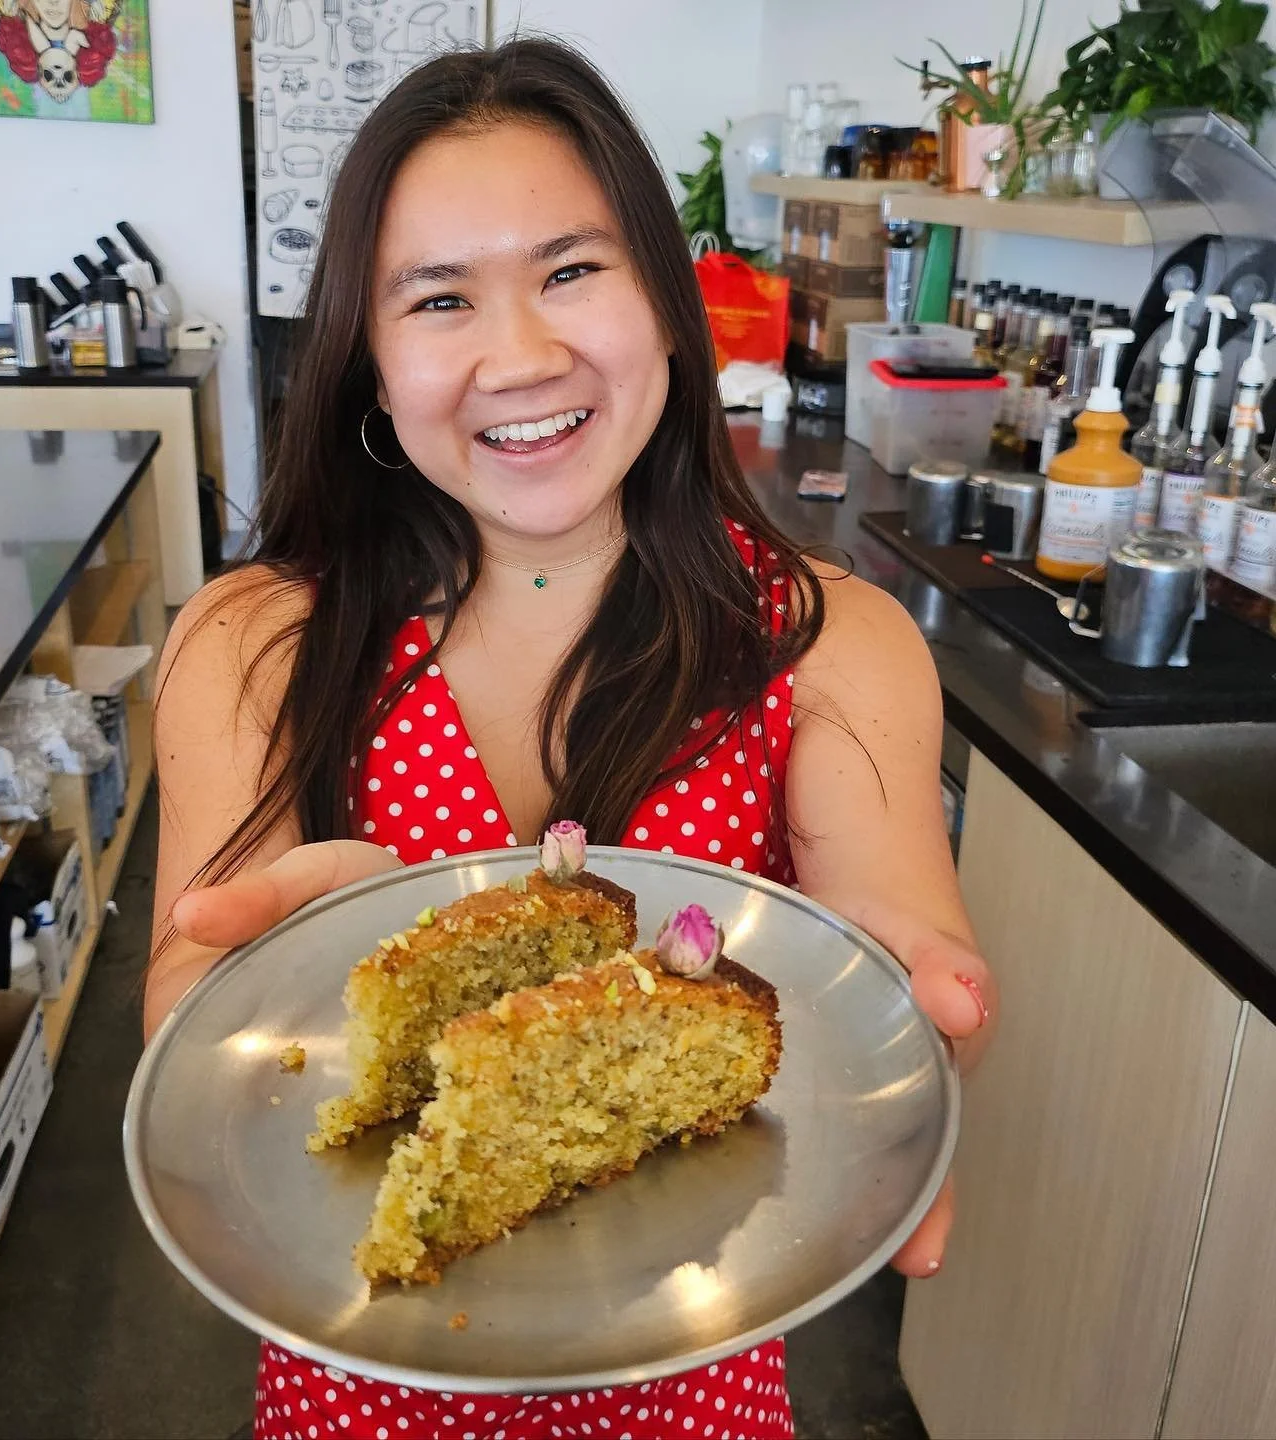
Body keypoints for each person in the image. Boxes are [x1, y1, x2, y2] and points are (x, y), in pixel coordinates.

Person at [148, 37, 996, 1440]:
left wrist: (920, 1030)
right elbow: (185, 1006)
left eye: (573, 270)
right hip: (356, 1386)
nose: (520, 355)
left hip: (697, 1385)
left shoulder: (829, 645)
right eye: (437, 298)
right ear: (367, 355)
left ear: (668, 301)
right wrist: (256, 988)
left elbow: (890, 1010)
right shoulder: (253, 641)